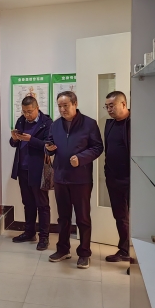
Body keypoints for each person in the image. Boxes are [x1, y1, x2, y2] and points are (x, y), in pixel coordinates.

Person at [46, 91, 103, 269]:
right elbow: (49, 144)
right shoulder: (55, 125)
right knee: (63, 217)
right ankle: (63, 249)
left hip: (81, 179)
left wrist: (81, 158)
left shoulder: (89, 124)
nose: (62, 109)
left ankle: (84, 253)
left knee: (83, 218)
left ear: (75, 104)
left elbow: (97, 147)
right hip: (61, 177)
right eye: (59, 106)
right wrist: (49, 149)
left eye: (66, 105)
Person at [10, 96, 53, 250]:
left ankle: (44, 237)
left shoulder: (47, 123)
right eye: (24, 111)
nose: (27, 115)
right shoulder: (21, 120)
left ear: (37, 108)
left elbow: (49, 145)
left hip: (38, 169)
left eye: (29, 111)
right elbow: (13, 143)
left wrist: (31, 140)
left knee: (42, 204)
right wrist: (14, 139)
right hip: (22, 168)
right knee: (27, 203)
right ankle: (29, 232)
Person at [104, 91, 131, 262]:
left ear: (123, 104)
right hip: (113, 178)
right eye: (107, 106)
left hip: (132, 178)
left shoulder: (135, 122)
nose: (109, 109)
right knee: (120, 216)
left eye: (112, 106)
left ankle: (139, 256)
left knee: (139, 217)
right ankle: (124, 250)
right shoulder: (110, 124)